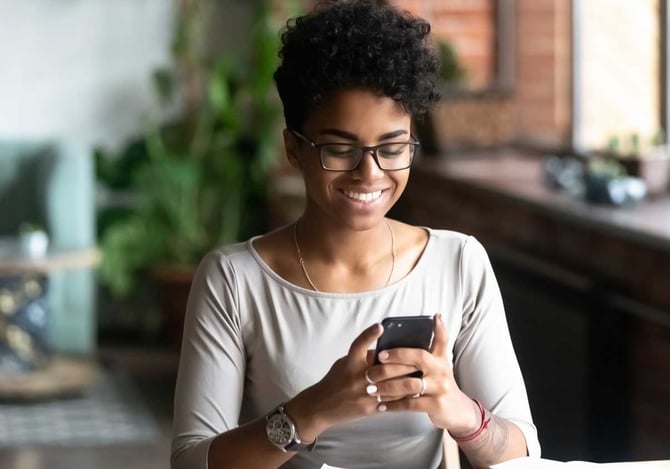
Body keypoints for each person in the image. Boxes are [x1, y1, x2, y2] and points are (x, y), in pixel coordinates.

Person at [171, 1, 541, 468]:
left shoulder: (459, 263)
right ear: (293, 149)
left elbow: (524, 454)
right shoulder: (234, 279)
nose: (370, 173)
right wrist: (312, 409)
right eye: (340, 149)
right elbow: (190, 462)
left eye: (392, 148)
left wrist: (462, 412)